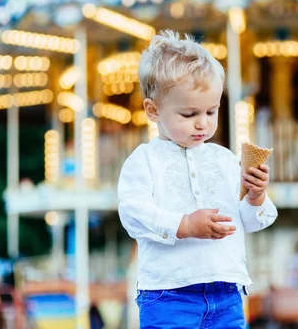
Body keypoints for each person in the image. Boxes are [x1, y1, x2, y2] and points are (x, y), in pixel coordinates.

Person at [118, 31, 278, 329]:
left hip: (227, 293)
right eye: (189, 113)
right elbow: (133, 215)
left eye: (211, 111)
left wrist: (256, 197)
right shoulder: (145, 160)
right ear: (153, 110)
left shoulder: (225, 160)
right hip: (169, 294)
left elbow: (248, 222)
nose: (203, 123)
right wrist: (186, 225)